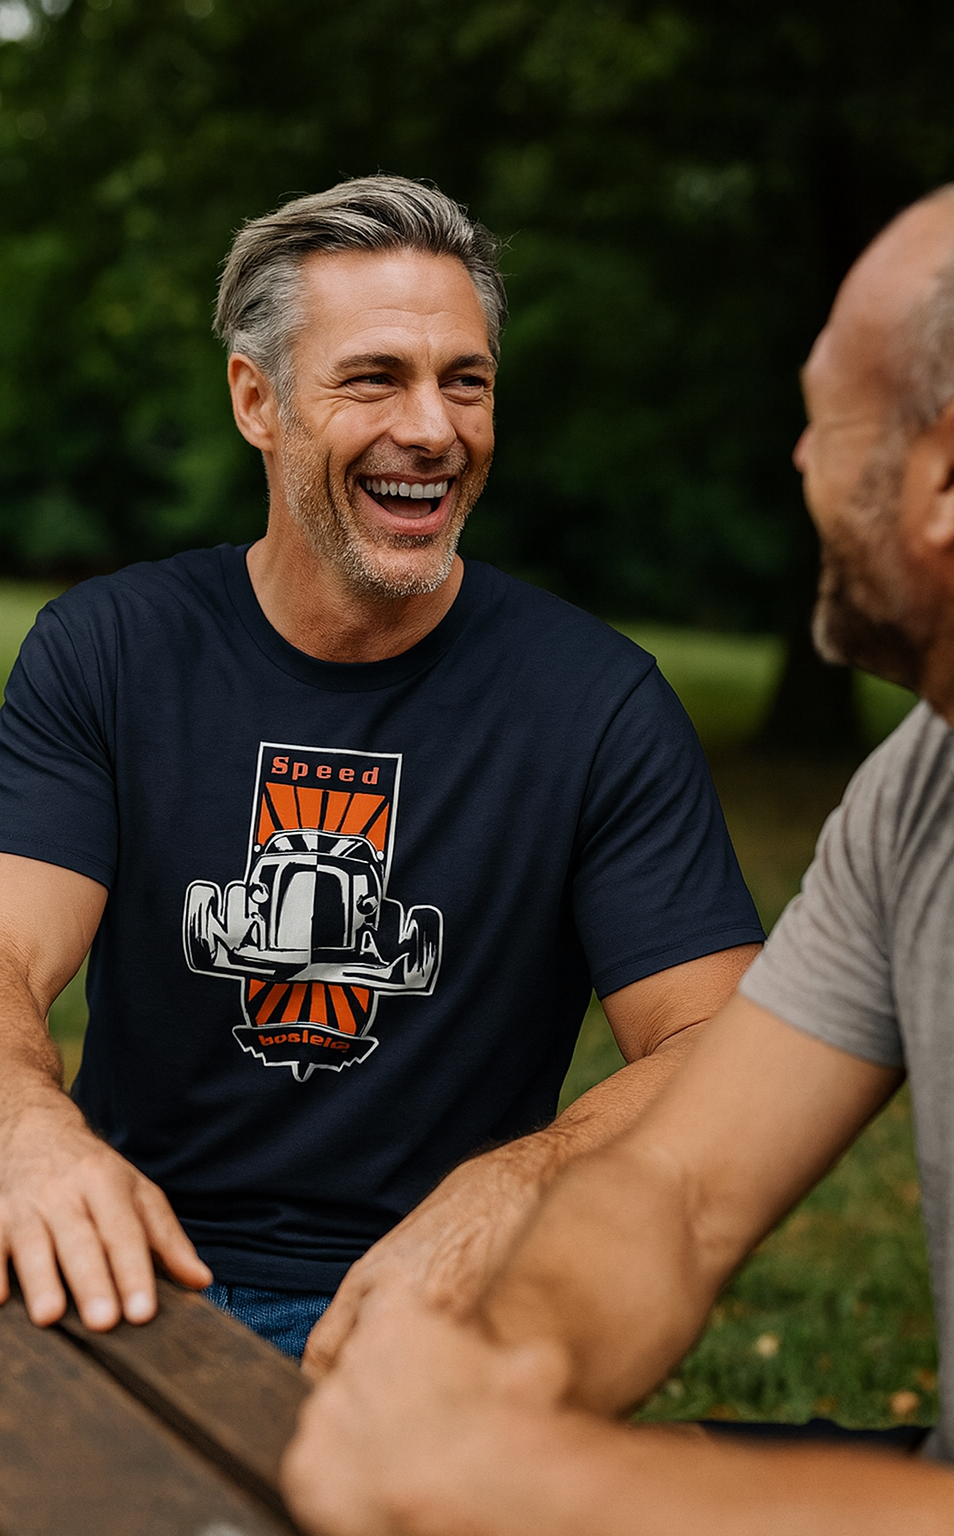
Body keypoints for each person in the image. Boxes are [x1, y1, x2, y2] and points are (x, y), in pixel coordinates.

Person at [0, 176, 762, 1361]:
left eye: (463, 381)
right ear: (256, 400)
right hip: (128, 1249)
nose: (432, 428)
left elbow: (723, 1045)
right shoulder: (113, 647)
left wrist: (518, 1184)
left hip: (423, 1295)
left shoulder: (596, 702)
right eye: (375, 376)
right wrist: (33, 1136)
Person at [279, 186, 954, 1530]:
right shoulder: (916, 789)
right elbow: (681, 1186)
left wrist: (553, 1482)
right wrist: (503, 1371)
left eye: (823, 418)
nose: (798, 467)